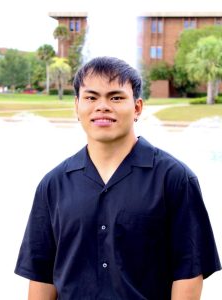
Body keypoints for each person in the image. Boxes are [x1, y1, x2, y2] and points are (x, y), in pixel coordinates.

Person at [15, 56, 221, 300]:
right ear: (77, 106)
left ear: (137, 107)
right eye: (91, 97)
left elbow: (189, 272)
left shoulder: (175, 179)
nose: (102, 106)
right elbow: (41, 275)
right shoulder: (53, 184)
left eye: (116, 97)